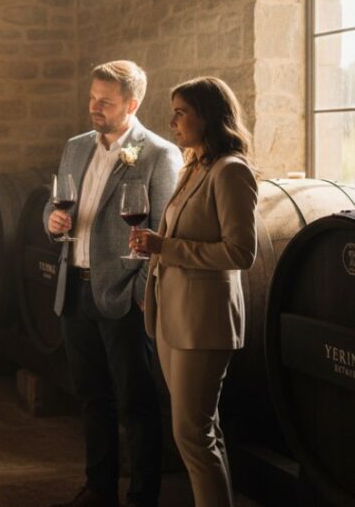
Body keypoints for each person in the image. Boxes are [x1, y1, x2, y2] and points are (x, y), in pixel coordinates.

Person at [43, 60, 183, 507]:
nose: (94, 107)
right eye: (91, 98)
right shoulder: (75, 146)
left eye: (105, 101)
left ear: (132, 104)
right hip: (75, 288)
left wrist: (142, 293)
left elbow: (164, 231)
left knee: (136, 406)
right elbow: (54, 206)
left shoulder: (159, 154)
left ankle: (143, 497)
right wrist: (52, 220)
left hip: (123, 295)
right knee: (90, 398)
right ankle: (99, 488)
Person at [131, 77, 257, 507]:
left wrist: (165, 247)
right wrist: (154, 267)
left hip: (203, 322)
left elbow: (240, 252)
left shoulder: (231, 171)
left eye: (181, 112)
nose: (172, 121)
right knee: (199, 432)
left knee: (193, 436)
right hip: (173, 316)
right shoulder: (193, 166)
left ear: (208, 115)